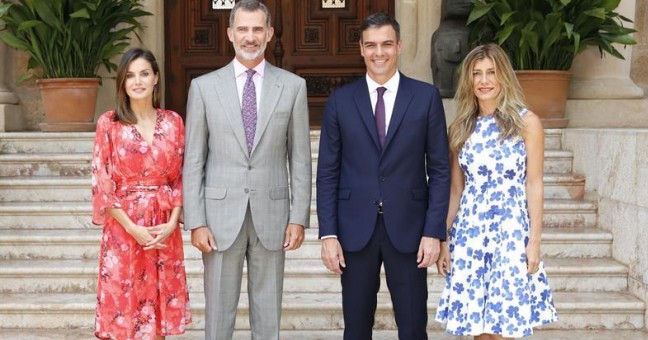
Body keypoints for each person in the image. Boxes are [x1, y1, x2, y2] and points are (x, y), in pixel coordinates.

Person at [316, 12, 451, 340]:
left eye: (387, 44)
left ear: (399, 46)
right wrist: (329, 234)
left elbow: (440, 170)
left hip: (410, 230)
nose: (380, 53)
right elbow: (327, 174)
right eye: (371, 45)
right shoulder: (339, 101)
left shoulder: (426, 97)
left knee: (413, 326)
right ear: (361, 49)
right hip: (354, 231)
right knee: (357, 328)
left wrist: (434, 232)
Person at [182, 0, 312, 339]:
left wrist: (298, 217)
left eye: (257, 29)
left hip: (273, 214)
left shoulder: (293, 87)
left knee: (268, 314)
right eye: (243, 29)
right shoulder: (204, 87)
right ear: (230, 33)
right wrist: (196, 221)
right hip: (219, 218)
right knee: (218, 315)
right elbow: (194, 160)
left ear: (269, 33)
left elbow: (299, 158)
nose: (250, 37)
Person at [434, 43, 558, 338]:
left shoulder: (527, 123)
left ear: (503, 76)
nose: (484, 80)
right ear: (469, 80)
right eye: (477, 74)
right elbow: (455, 190)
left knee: (505, 323)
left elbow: (534, 183)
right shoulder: (461, 128)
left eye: (491, 72)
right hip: (471, 233)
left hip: (511, 232)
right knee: (478, 326)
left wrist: (535, 241)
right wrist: (444, 239)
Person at [91, 47, 191, 339]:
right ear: (122, 83)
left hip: (163, 227)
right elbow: (102, 182)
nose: (138, 81)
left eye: (144, 74)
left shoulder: (174, 122)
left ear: (156, 78)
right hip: (124, 230)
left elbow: (180, 178)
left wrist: (173, 222)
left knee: (157, 316)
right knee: (125, 313)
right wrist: (132, 228)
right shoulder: (109, 123)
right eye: (130, 75)